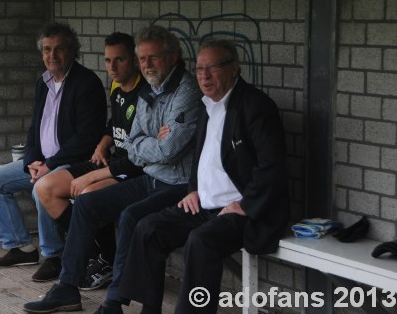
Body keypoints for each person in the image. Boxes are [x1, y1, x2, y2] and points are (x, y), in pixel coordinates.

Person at [23, 25, 201, 314]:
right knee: (85, 204)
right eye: (143, 59)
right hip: (150, 176)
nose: (147, 64)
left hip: (177, 184)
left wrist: (148, 144)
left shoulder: (187, 90)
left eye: (152, 58)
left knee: (130, 217)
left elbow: (168, 151)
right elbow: (133, 144)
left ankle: (113, 302)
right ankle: (68, 287)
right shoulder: (150, 89)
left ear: (172, 56)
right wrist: (150, 142)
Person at [118, 39, 289, 314]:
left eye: (213, 68)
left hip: (244, 211)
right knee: (148, 228)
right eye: (199, 69)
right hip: (205, 204)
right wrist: (193, 189)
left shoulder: (256, 106)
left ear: (234, 68)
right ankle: (149, 309)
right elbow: (201, 158)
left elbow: (272, 167)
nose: (204, 76)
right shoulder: (207, 104)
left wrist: (245, 205)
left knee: (200, 241)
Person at [0, 22, 107, 282]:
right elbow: (34, 128)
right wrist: (31, 162)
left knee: (43, 187)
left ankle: (55, 256)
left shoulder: (87, 83)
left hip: (74, 164)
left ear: (72, 50)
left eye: (59, 49)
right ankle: (21, 248)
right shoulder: (44, 82)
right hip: (45, 162)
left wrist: (49, 165)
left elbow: (86, 138)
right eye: (47, 50)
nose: (53, 55)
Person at [35, 32, 147, 291]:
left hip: (132, 170)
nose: (112, 67)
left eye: (119, 60)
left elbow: (139, 157)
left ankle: (106, 258)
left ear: (134, 60)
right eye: (108, 61)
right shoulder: (116, 86)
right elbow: (114, 125)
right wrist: (103, 143)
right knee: (45, 188)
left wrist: (97, 173)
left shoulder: (146, 93)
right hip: (110, 160)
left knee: (87, 194)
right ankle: (94, 254)